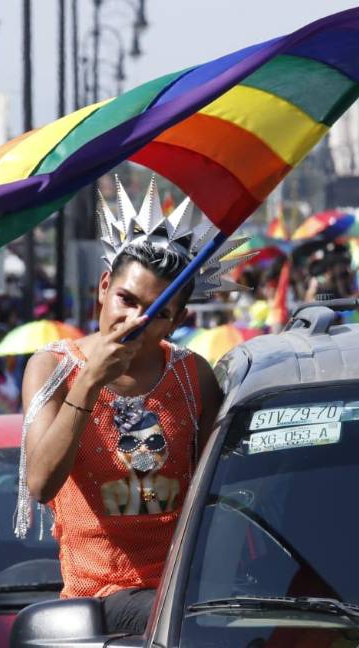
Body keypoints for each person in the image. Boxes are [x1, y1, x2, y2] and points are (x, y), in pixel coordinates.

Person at [17, 181, 224, 636]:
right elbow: (41, 483)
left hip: (185, 596)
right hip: (98, 606)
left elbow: (222, 495)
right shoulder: (52, 368)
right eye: (126, 301)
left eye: (156, 313)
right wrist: (90, 380)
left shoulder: (194, 376)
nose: (134, 321)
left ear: (178, 320)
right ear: (104, 288)